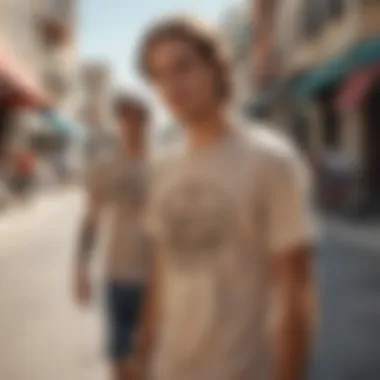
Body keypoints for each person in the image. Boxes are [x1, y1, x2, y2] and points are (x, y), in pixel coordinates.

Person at [129, 16, 317, 380]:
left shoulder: (271, 160)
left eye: (182, 67)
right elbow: (162, 271)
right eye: (158, 74)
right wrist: (142, 352)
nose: (170, 85)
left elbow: (296, 293)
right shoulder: (162, 167)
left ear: (216, 67)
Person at [73, 93, 151, 380]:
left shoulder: (165, 166)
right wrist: (80, 268)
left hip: (158, 279)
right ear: (117, 122)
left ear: (147, 122)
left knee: (152, 360)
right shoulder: (104, 168)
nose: (131, 124)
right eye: (124, 117)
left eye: (137, 117)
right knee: (120, 361)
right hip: (117, 276)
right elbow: (90, 222)